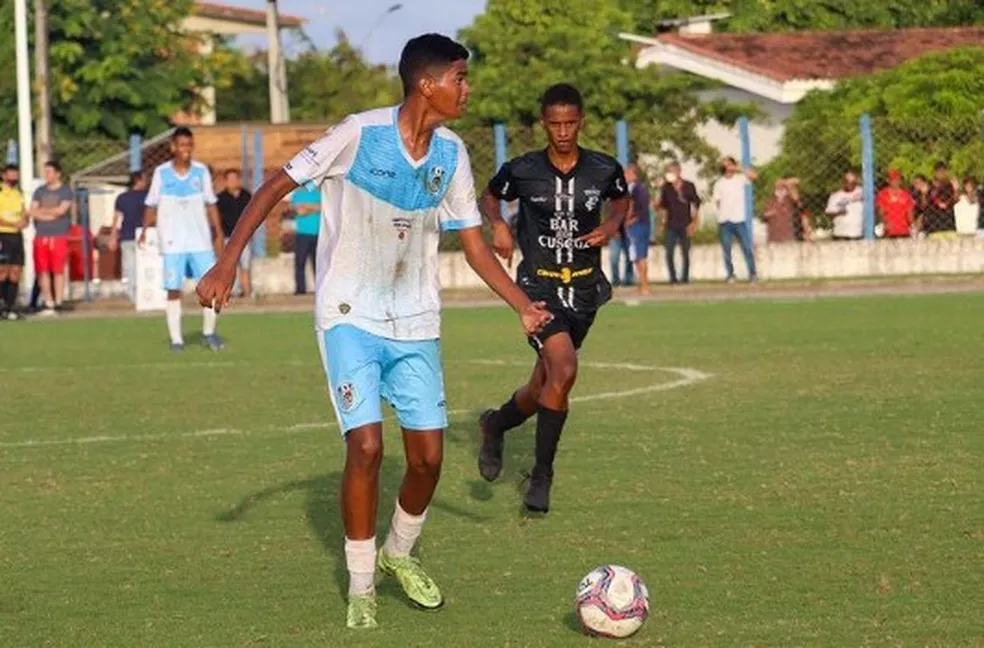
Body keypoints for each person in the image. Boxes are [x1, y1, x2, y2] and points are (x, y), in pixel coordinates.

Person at [194, 34, 551, 630]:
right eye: (460, 77)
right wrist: (228, 260)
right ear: (427, 85)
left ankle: (398, 554)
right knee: (365, 447)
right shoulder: (358, 134)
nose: (467, 88)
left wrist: (520, 306)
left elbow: (473, 245)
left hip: (415, 319)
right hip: (348, 313)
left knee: (428, 459)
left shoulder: (453, 154)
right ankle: (361, 584)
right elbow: (276, 184)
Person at [476, 83, 631, 514]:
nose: (562, 132)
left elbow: (621, 200)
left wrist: (612, 225)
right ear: (543, 124)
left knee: (542, 386)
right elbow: (490, 195)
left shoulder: (604, 168)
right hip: (538, 289)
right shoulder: (522, 169)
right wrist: (498, 225)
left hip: (584, 289)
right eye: (554, 124)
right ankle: (542, 475)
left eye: (570, 123)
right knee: (563, 369)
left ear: (581, 122)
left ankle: (495, 424)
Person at [140, 127, 225, 352]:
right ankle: (176, 339)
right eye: (181, 145)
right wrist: (144, 230)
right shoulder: (161, 173)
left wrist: (218, 231)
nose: (185, 149)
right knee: (173, 290)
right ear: (173, 147)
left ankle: (209, 333)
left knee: (210, 288)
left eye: (189, 145)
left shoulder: (201, 172)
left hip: (200, 241)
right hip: (172, 243)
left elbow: (211, 203)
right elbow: (151, 204)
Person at [29, 160, 74, 315]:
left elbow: (61, 211)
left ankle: (59, 301)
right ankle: (48, 302)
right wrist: (48, 214)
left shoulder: (65, 191)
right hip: (41, 235)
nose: (46, 175)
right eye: (45, 172)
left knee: (58, 270)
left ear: (57, 174)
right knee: (43, 270)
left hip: (59, 235)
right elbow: (32, 211)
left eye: (49, 172)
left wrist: (43, 211)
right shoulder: (39, 191)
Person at [712, 156, 757, 282]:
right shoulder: (719, 183)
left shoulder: (740, 179)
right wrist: (722, 213)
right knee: (727, 249)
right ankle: (730, 275)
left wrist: (738, 168)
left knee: (747, 247)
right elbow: (717, 201)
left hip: (739, 220)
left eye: (729, 163)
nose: (727, 166)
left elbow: (754, 176)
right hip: (725, 221)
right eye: (725, 164)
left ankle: (752, 274)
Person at [657, 161, 700, 284]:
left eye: (672, 171)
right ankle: (673, 278)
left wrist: (693, 223)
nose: (670, 174)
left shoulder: (689, 186)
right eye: (668, 171)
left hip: (686, 223)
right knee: (669, 252)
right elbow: (662, 206)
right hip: (671, 224)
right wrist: (661, 223)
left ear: (679, 172)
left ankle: (685, 278)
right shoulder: (666, 188)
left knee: (685, 252)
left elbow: (695, 205)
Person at [110, 170, 150, 301]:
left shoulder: (122, 198)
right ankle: (143, 293)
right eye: (144, 179)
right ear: (138, 180)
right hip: (143, 236)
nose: (147, 182)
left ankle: (133, 294)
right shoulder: (148, 196)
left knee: (129, 266)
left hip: (127, 236)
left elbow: (117, 218)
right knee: (143, 265)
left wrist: (113, 236)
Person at [216, 169, 254, 298]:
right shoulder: (220, 198)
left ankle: (247, 291)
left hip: (243, 238)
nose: (233, 182)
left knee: (245, 265)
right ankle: (231, 291)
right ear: (226, 182)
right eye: (230, 179)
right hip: (228, 237)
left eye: (235, 179)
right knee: (230, 266)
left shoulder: (246, 196)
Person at [0, 164, 27, 319]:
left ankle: (11, 307)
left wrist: (25, 221)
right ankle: (2, 306)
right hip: (3, 235)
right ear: (4, 176)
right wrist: (12, 224)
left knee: (16, 271)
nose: (13, 177)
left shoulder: (18, 193)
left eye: (15, 174)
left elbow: (24, 213)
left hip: (17, 236)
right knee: (2, 271)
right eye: (11, 174)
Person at [624, 163, 652, 295]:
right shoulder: (630, 189)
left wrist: (631, 220)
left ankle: (645, 285)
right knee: (636, 256)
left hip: (639, 226)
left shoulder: (639, 189)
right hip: (635, 226)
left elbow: (642, 209)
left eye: (626, 173)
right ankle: (641, 283)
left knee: (640, 255)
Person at [289, 179, 320, 295]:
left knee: (318, 263)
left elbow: (324, 207)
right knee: (300, 263)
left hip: (318, 233)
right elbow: (299, 211)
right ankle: (300, 289)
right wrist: (315, 208)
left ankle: (320, 289)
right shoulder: (297, 195)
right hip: (302, 233)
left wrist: (307, 207)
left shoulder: (319, 193)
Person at [876, 169, 915, 239]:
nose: (896, 182)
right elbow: (881, 212)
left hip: (904, 230)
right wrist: (884, 223)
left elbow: (910, 213)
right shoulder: (883, 194)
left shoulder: (906, 194)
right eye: (893, 179)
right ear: (888, 180)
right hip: (889, 230)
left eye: (898, 179)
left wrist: (912, 225)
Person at [825, 171, 864, 241]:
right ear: (843, 182)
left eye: (853, 182)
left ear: (856, 182)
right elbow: (828, 212)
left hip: (859, 233)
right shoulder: (836, 196)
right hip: (841, 234)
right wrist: (839, 212)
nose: (849, 184)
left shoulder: (862, 192)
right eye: (847, 181)